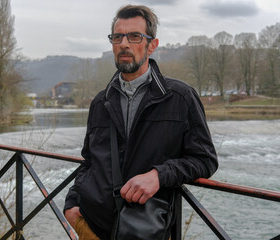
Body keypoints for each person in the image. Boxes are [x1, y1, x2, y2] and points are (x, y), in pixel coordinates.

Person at [64, 4, 218, 240]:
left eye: (135, 36)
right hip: (92, 229)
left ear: (151, 46)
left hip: (145, 232)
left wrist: (159, 175)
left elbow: (205, 160)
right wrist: (71, 204)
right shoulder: (100, 101)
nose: (124, 44)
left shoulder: (180, 97)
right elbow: (89, 161)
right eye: (117, 37)